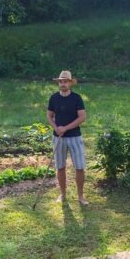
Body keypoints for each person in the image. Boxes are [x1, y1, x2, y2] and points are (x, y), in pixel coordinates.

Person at [46, 70, 88, 205]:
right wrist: (56, 128)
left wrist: (65, 128)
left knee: (80, 167)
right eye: (60, 81)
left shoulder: (77, 98)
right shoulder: (54, 98)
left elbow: (82, 117)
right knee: (60, 167)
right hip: (58, 137)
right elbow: (49, 116)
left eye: (65, 81)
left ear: (70, 83)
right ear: (58, 83)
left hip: (74, 137)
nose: (62, 83)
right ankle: (63, 194)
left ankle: (80, 196)